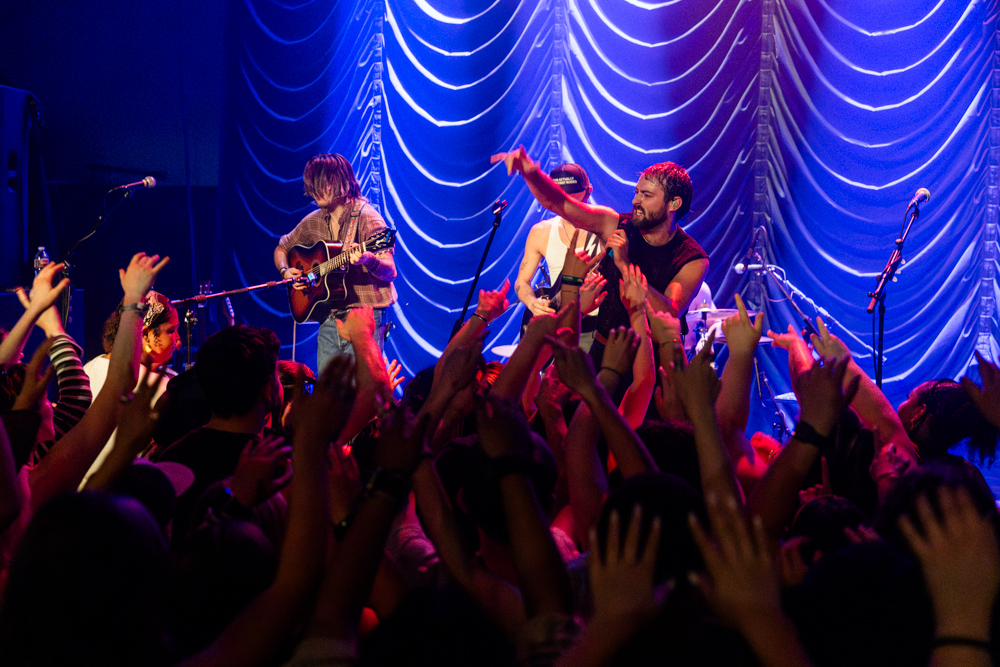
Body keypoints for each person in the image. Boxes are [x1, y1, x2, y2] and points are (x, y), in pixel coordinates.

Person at [495, 146, 709, 365]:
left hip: (653, 363)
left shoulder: (692, 258)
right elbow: (558, 203)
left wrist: (624, 265)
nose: (636, 200)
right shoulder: (615, 224)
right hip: (602, 352)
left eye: (646, 195)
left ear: (674, 203)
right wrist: (532, 173)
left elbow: (668, 315)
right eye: (637, 192)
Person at [273, 153, 397, 372]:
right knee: (328, 397)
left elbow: (391, 272)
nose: (314, 191)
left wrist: (369, 259)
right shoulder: (315, 220)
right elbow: (282, 246)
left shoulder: (368, 217)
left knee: (360, 395)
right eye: (312, 185)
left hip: (364, 319)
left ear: (340, 181)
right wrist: (285, 271)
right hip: (329, 317)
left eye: (321, 184)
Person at [514, 163, 603, 349]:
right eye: (559, 197)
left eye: (572, 196)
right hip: (559, 325)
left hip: (598, 328)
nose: (566, 204)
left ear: (589, 191)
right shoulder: (541, 232)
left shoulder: (607, 230)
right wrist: (533, 303)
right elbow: (522, 282)